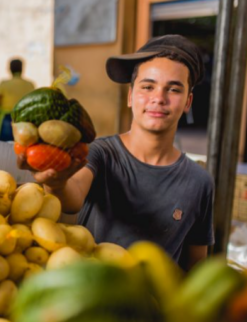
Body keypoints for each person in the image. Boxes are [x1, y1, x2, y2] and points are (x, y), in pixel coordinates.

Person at [20, 35, 214, 271]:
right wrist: (57, 183)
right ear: (131, 96)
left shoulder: (199, 182)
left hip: (152, 306)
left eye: (173, 89)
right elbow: (72, 195)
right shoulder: (103, 153)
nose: (159, 98)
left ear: (187, 102)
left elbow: (196, 267)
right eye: (148, 86)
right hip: (91, 296)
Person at [0, 58, 34, 141]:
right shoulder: (30, 85)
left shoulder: (4, 84)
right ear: (22, 69)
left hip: (6, 121)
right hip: (25, 120)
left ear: (10, 69)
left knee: (3, 148)